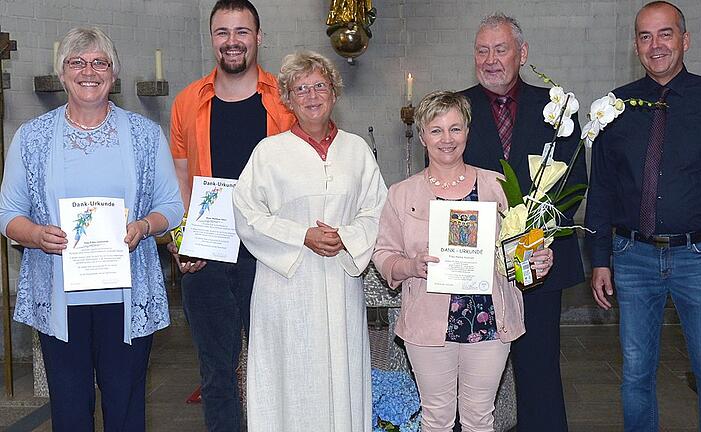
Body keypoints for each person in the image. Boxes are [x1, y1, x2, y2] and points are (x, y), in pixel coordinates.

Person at [586, 2, 701, 430]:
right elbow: (602, 189)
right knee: (635, 375)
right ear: (636, 46)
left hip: (700, 256)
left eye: (665, 34)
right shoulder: (615, 107)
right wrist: (600, 257)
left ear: (685, 39)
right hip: (632, 257)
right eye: (645, 36)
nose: (655, 45)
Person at [0, 27, 183, 431]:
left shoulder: (144, 135)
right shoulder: (32, 138)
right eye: (77, 62)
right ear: (62, 73)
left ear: (113, 75)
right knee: (68, 412)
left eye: (99, 62)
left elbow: (172, 206)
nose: (88, 71)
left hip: (126, 297)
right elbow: (8, 212)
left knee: (126, 407)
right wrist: (35, 235)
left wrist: (144, 225)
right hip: (60, 295)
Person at [373, 90, 554, 431]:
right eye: (436, 130)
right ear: (423, 136)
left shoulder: (499, 185)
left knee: (479, 418)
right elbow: (383, 254)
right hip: (429, 324)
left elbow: (519, 251)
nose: (446, 139)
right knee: (436, 418)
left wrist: (537, 260)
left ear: (468, 132)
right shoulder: (401, 193)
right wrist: (411, 266)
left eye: (455, 129)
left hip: (490, 321)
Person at [232, 50, 387, 432]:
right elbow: (246, 214)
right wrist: (302, 235)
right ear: (287, 98)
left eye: (320, 85)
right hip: (286, 288)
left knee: (341, 372)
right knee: (292, 377)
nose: (312, 95)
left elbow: (378, 210)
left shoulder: (357, 151)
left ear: (334, 91)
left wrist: (345, 237)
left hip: (340, 282)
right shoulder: (269, 153)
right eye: (301, 89)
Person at [169, 0, 294, 429]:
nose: (232, 41)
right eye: (222, 32)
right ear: (211, 39)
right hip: (209, 255)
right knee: (216, 373)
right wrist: (182, 237)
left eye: (242, 32)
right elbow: (181, 179)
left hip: (269, 256)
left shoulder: (283, 99)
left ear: (259, 38)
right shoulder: (188, 101)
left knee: (273, 367)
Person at [460, 13, 587, 431]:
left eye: (501, 49)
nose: (491, 59)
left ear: (523, 53)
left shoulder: (558, 109)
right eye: (483, 50)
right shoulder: (456, 109)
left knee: (539, 375)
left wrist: (537, 238)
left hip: (540, 265)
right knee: (473, 381)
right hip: (478, 270)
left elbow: (574, 181)